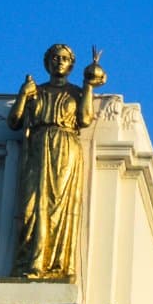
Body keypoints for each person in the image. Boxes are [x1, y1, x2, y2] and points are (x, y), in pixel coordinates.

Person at [9, 43, 105, 280]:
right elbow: (14, 122)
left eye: (64, 58)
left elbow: (84, 119)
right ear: (47, 62)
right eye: (55, 57)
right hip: (36, 149)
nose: (59, 62)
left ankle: (57, 266)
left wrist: (88, 86)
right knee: (30, 208)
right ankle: (29, 264)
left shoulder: (76, 92)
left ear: (71, 65)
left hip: (65, 146)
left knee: (60, 207)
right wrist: (23, 94)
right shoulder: (35, 91)